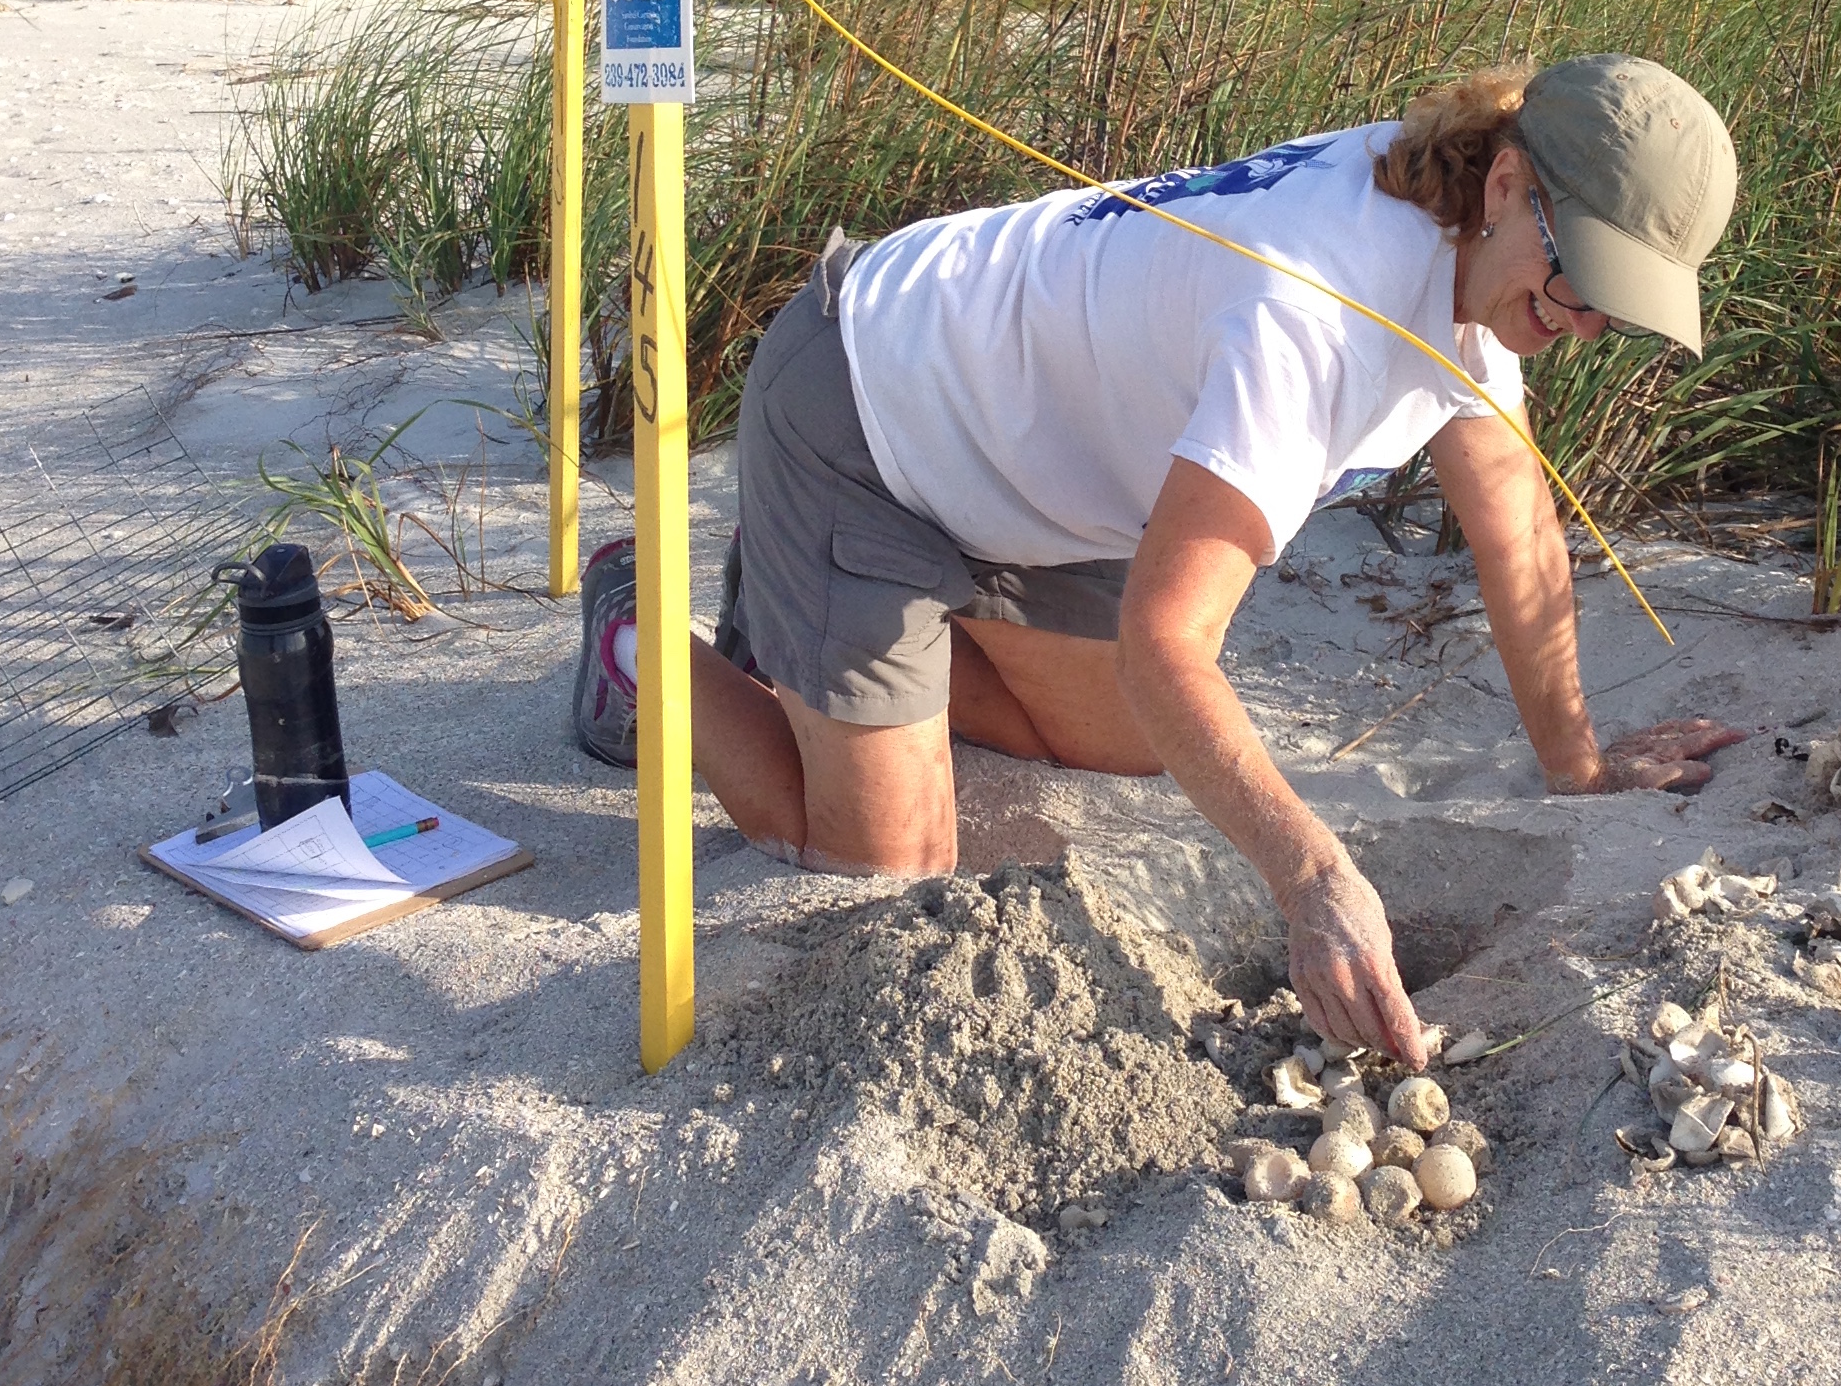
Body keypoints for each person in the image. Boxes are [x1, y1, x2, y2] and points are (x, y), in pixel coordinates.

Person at [572, 52, 1740, 1067]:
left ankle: (821, 618)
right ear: (1508, 184)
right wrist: (1314, 881)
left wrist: (1575, 766)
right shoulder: (1314, 316)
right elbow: (1166, 642)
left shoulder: (1464, 244)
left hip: (1019, 478)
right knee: (885, 865)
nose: (1587, 326)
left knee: (1139, 744)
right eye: (1586, 281)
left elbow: (1517, 521)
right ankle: (646, 639)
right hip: (866, 410)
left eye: (1618, 311)